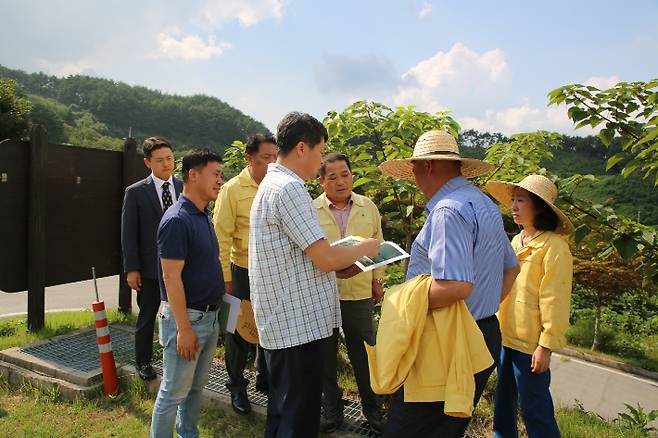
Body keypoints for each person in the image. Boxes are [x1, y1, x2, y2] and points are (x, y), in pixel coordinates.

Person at [378, 129, 520, 437]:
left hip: (446, 343)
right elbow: (511, 268)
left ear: (427, 167)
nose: (414, 178)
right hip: (483, 335)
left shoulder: (447, 211)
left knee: (407, 429)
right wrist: (483, 307)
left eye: (414, 170)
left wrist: (399, 298)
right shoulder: (483, 204)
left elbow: (456, 286)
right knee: (445, 429)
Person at [249, 112, 381, 438]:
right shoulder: (290, 189)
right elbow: (324, 258)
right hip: (296, 328)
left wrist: (343, 261)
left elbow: (300, 259)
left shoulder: (271, 184)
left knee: (283, 415)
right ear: (303, 148)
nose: (322, 161)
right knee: (298, 420)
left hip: (285, 323)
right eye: (321, 152)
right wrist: (367, 246)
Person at [487, 174, 574, 438]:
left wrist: (545, 345)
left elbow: (555, 299)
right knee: (502, 406)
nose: (513, 206)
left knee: (535, 409)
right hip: (506, 338)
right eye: (512, 200)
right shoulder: (516, 242)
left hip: (530, 345)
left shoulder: (554, 247)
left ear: (538, 206)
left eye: (520, 200)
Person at [150, 149, 225, 438]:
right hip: (188, 319)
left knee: (195, 389)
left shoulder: (202, 215)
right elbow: (171, 278)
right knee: (173, 392)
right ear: (193, 175)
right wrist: (183, 329)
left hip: (209, 317)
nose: (220, 180)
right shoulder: (177, 220)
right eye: (215, 174)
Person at [313, 152, 385, 433]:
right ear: (321, 181)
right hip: (323, 294)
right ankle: (332, 412)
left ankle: (374, 411)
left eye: (345, 174)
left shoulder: (368, 207)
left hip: (359, 293)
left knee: (365, 355)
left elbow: (378, 244)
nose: (341, 181)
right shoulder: (311, 210)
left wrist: (376, 279)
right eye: (332, 177)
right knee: (325, 357)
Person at [213, 133, 277, 415]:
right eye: (266, 158)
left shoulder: (278, 187)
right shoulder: (232, 189)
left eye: (276, 157)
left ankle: (265, 380)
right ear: (249, 159)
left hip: (271, 272)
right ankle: (236, 386)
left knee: (269, 328)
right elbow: (220, 239)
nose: (272, 163)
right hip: (239, 272)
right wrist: (225, 280)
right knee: (234, 333)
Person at [121, 136, 182, 381]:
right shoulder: (136, 192)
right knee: (147, 317)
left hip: (179, 266)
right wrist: (131, 268)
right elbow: (128, 234)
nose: (167, 164)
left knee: (181, 313)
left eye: (169, 158)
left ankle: (178, 358)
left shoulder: (183, 187)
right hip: (148, 267)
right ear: (148, 162)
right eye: (160, 160)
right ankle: (143, 362)